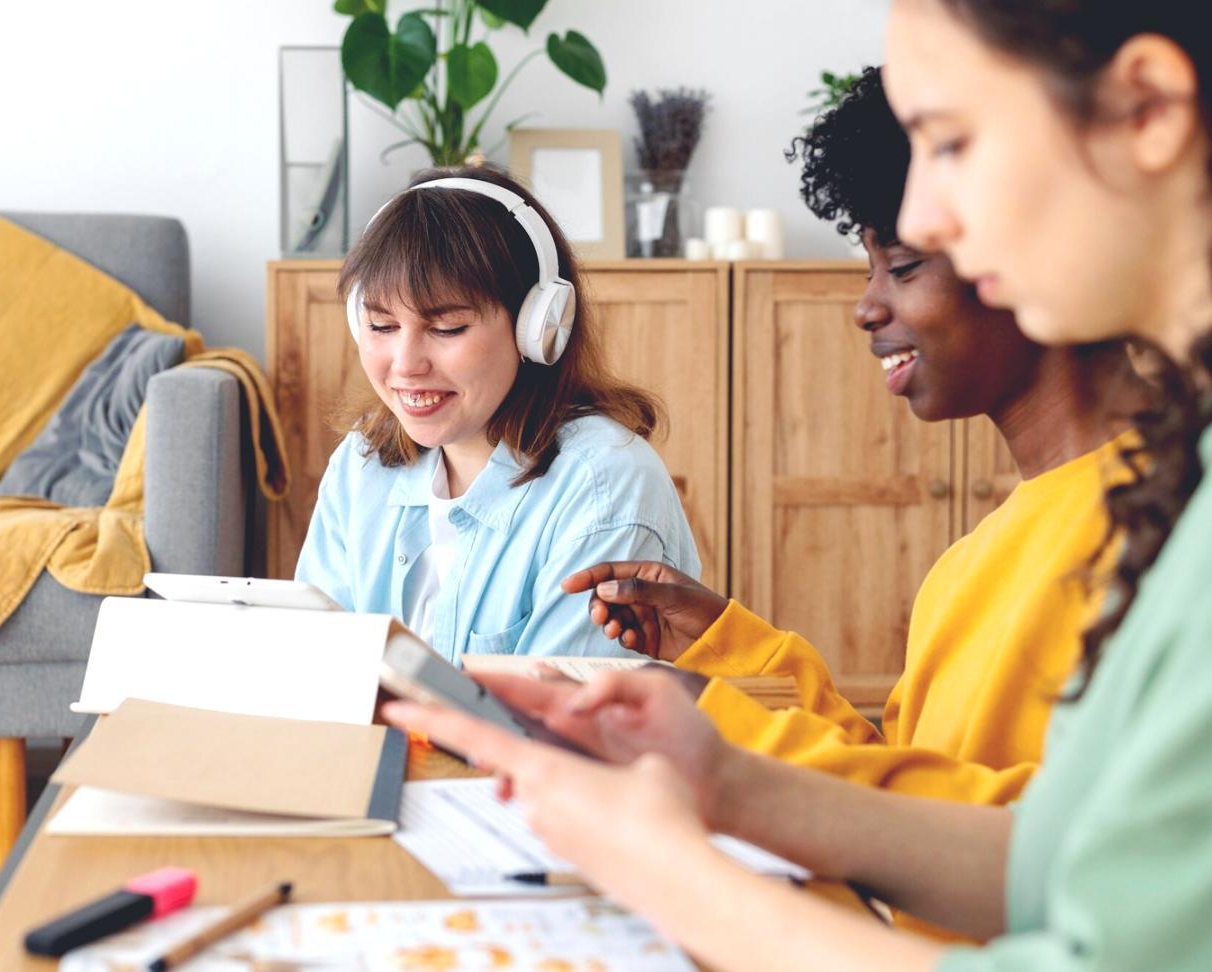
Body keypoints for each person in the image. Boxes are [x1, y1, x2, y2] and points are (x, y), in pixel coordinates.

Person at [384, 2, 1212, 969]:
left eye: (952, 141)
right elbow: (1057, 855)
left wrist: (668, 868)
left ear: (1148, 109)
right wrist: (714, 766)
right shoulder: (1077, 529)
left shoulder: (1145, 527)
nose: (936, 212)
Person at [561, 68, 1143, 849]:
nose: (866, 306)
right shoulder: (971, 563)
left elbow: (1056, 851)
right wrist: (723, 646)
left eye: (901, 267)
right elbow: (895, 782)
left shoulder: (1161, 534)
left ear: (1027, 256)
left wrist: (716, 730)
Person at [296, 166, 700, 663]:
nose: (405, 364)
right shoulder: (360, 465)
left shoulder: (604, 487)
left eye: (447, 328)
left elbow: (561, 727)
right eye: (381, 325)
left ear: (540, 326)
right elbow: (314, 666)